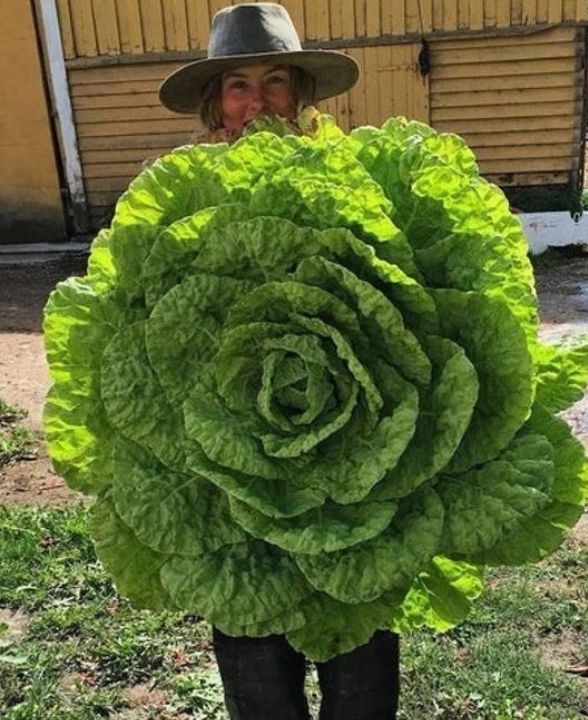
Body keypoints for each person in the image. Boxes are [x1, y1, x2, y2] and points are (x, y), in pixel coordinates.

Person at [157, 5, 398, 720]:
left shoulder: (352, 175)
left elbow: (405, 305)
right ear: (215, 102)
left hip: (359, 456)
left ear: (302, 93)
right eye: (237, 84)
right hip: (229, 456)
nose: (256, 100)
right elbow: (148, 326)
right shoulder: (177, 191)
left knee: (360, 655)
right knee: (254, 650)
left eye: (274, 81)